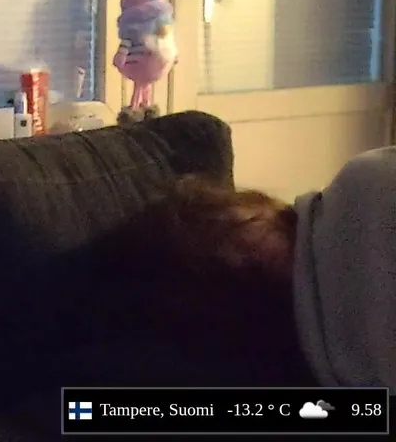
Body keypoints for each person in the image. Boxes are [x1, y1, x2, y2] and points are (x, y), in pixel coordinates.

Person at [100, 149, 396, 389]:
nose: (242, 251)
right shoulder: (343, 362)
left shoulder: (364, 185)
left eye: (219, 223)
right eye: (215, 251)